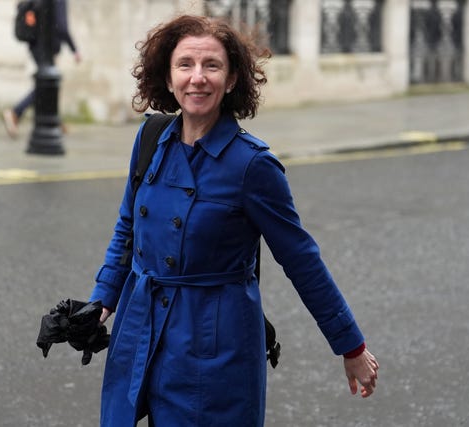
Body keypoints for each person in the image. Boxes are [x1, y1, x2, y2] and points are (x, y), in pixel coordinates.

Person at [88, 14, 379, 427]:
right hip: (142, 329)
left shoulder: (253, 165)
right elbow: (128, 229)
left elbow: (301, 259)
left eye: (212, 66)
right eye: (185, 64)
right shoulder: (151, 139)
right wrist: (102, 302)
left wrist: (351, 346)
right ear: (168, 78)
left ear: (231, 80)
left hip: (214, 345)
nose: (197, 78)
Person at [2, 0, 81, 138]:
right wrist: (74, 49)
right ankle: (16, 112)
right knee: (47, 85)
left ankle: (53, 120)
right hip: (46, 46)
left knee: (47, 84)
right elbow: (62, 26)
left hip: (36, 44)